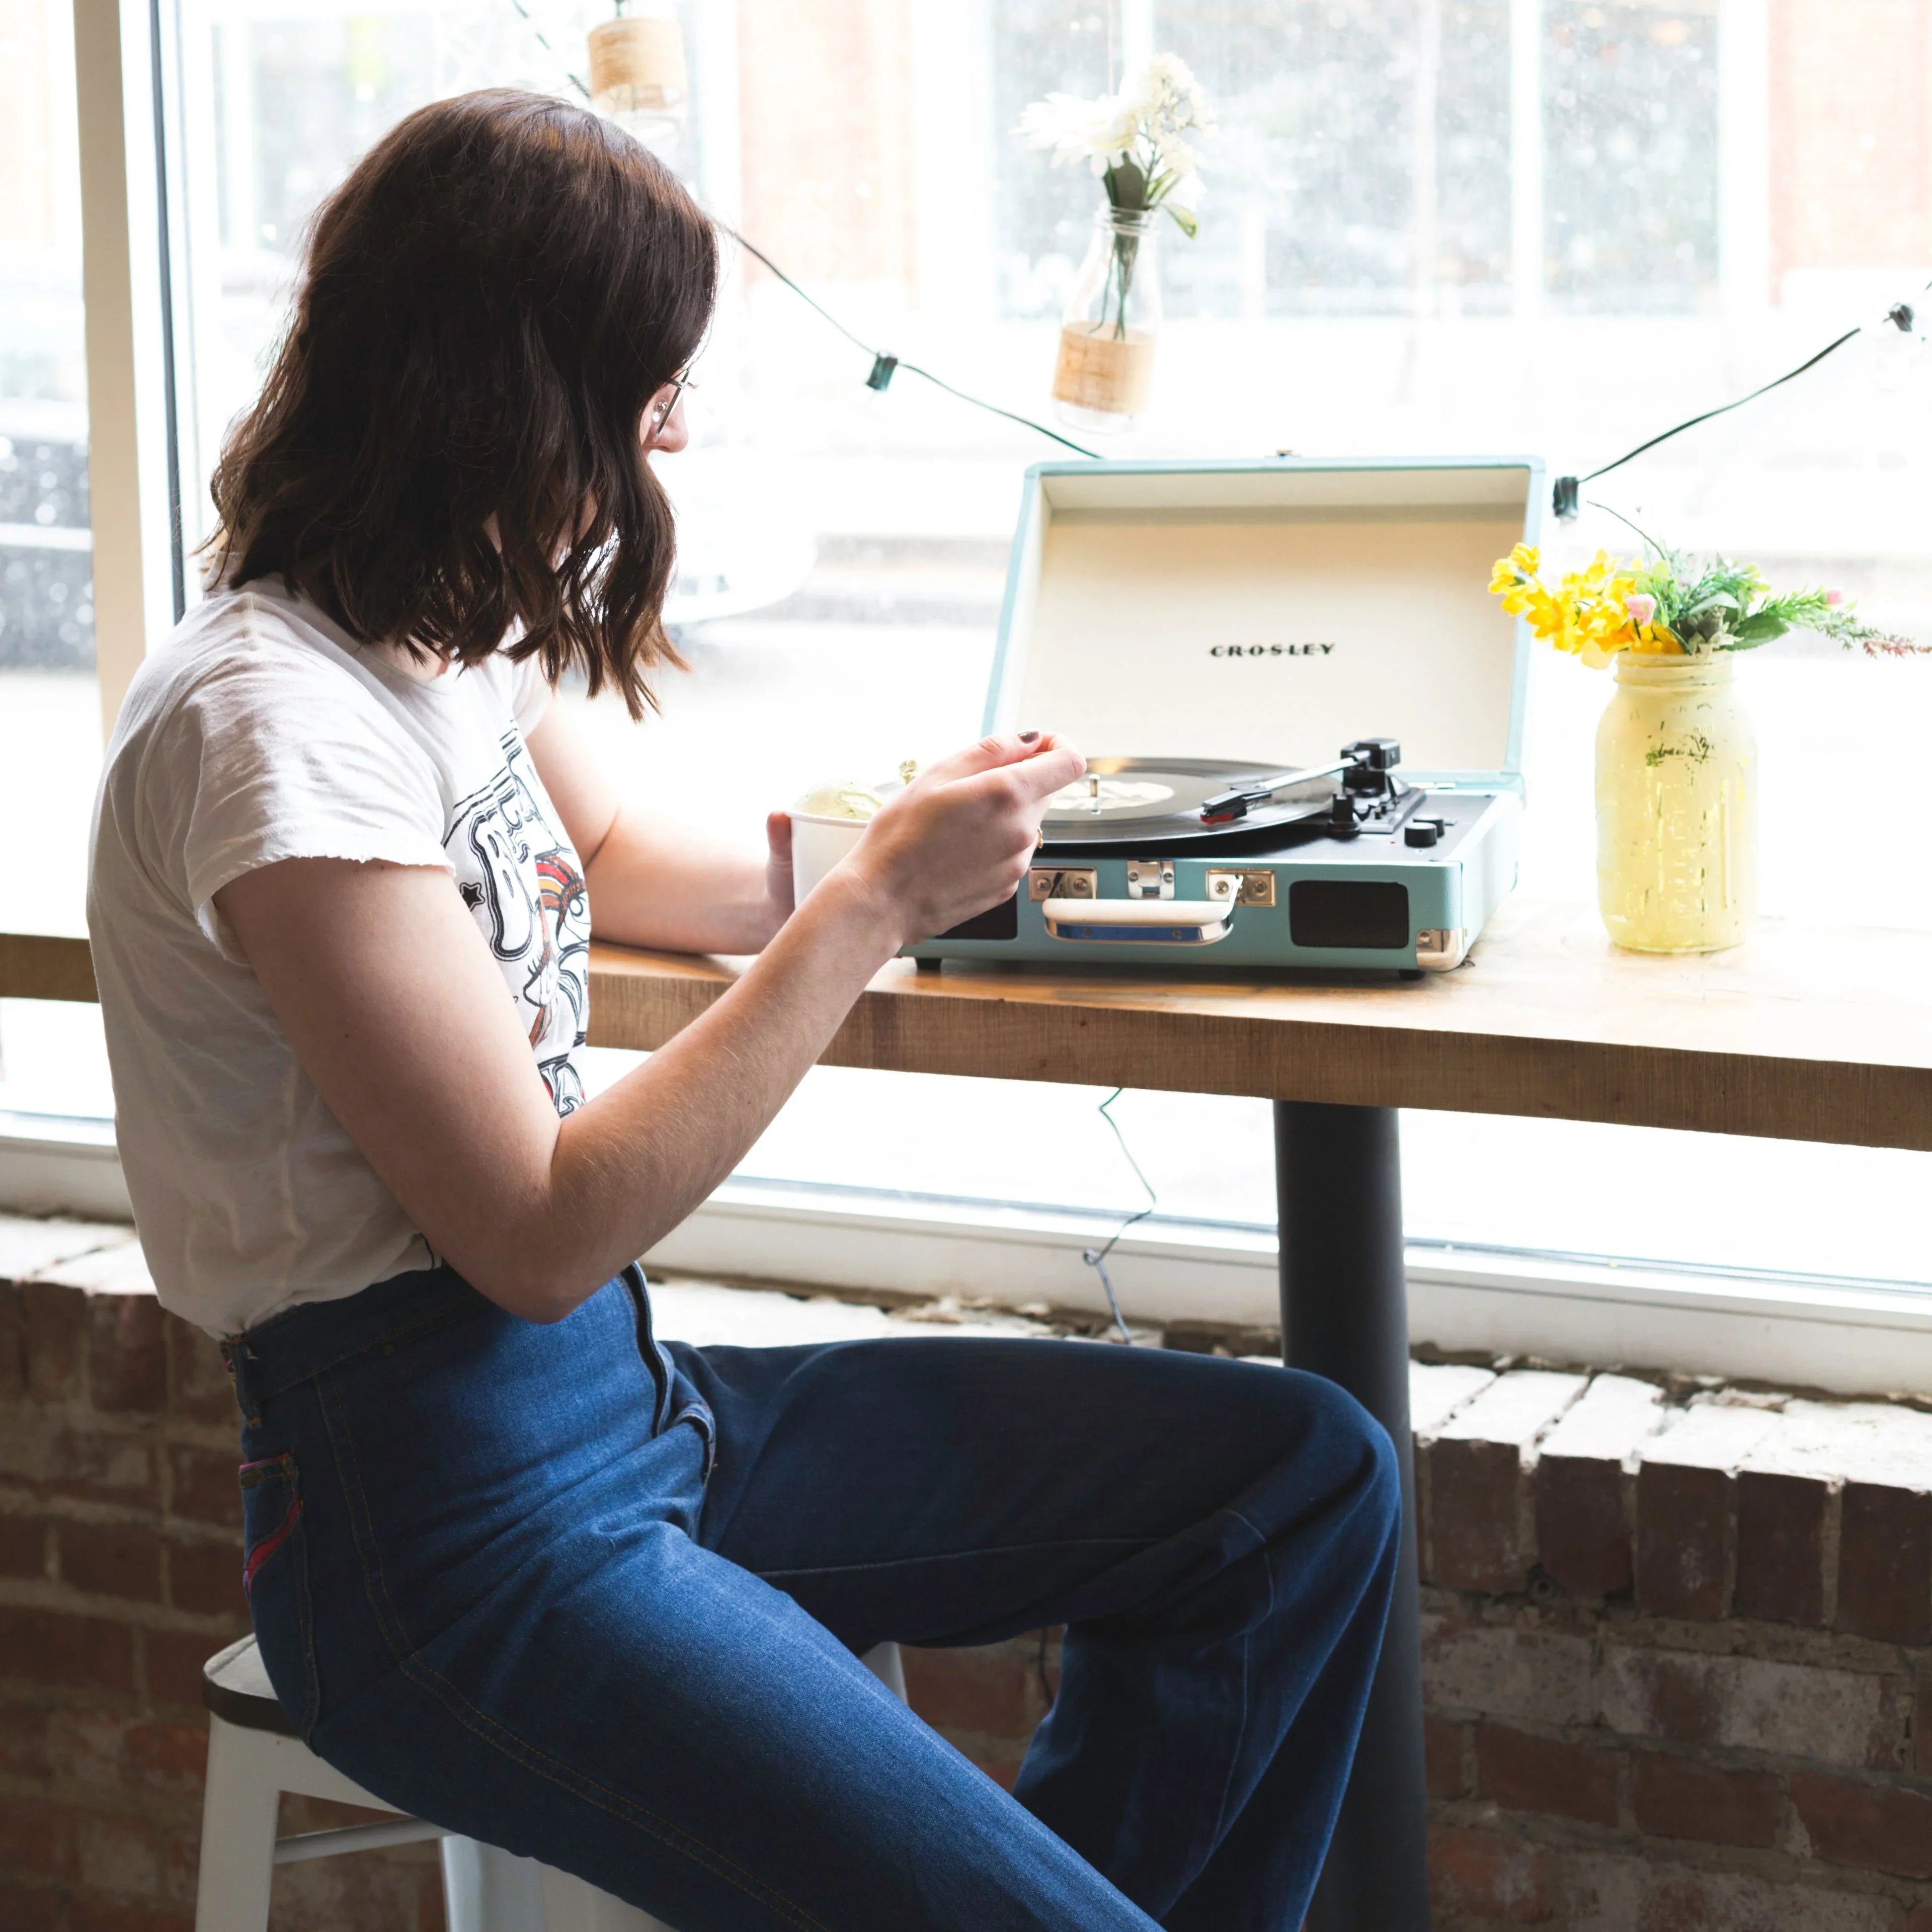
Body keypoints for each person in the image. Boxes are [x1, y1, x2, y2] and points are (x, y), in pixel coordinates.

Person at [86, 89, 1399, 1932]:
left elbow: (621, 849)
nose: (673, 427)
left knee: (1302, 1485)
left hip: (620, 1420)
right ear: (511, 383)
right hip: (438, 1546)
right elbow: (536, 1232)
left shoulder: (436, 640)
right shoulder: (272, 731)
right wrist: (866, 911)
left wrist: (914, 840)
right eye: (649, 383)